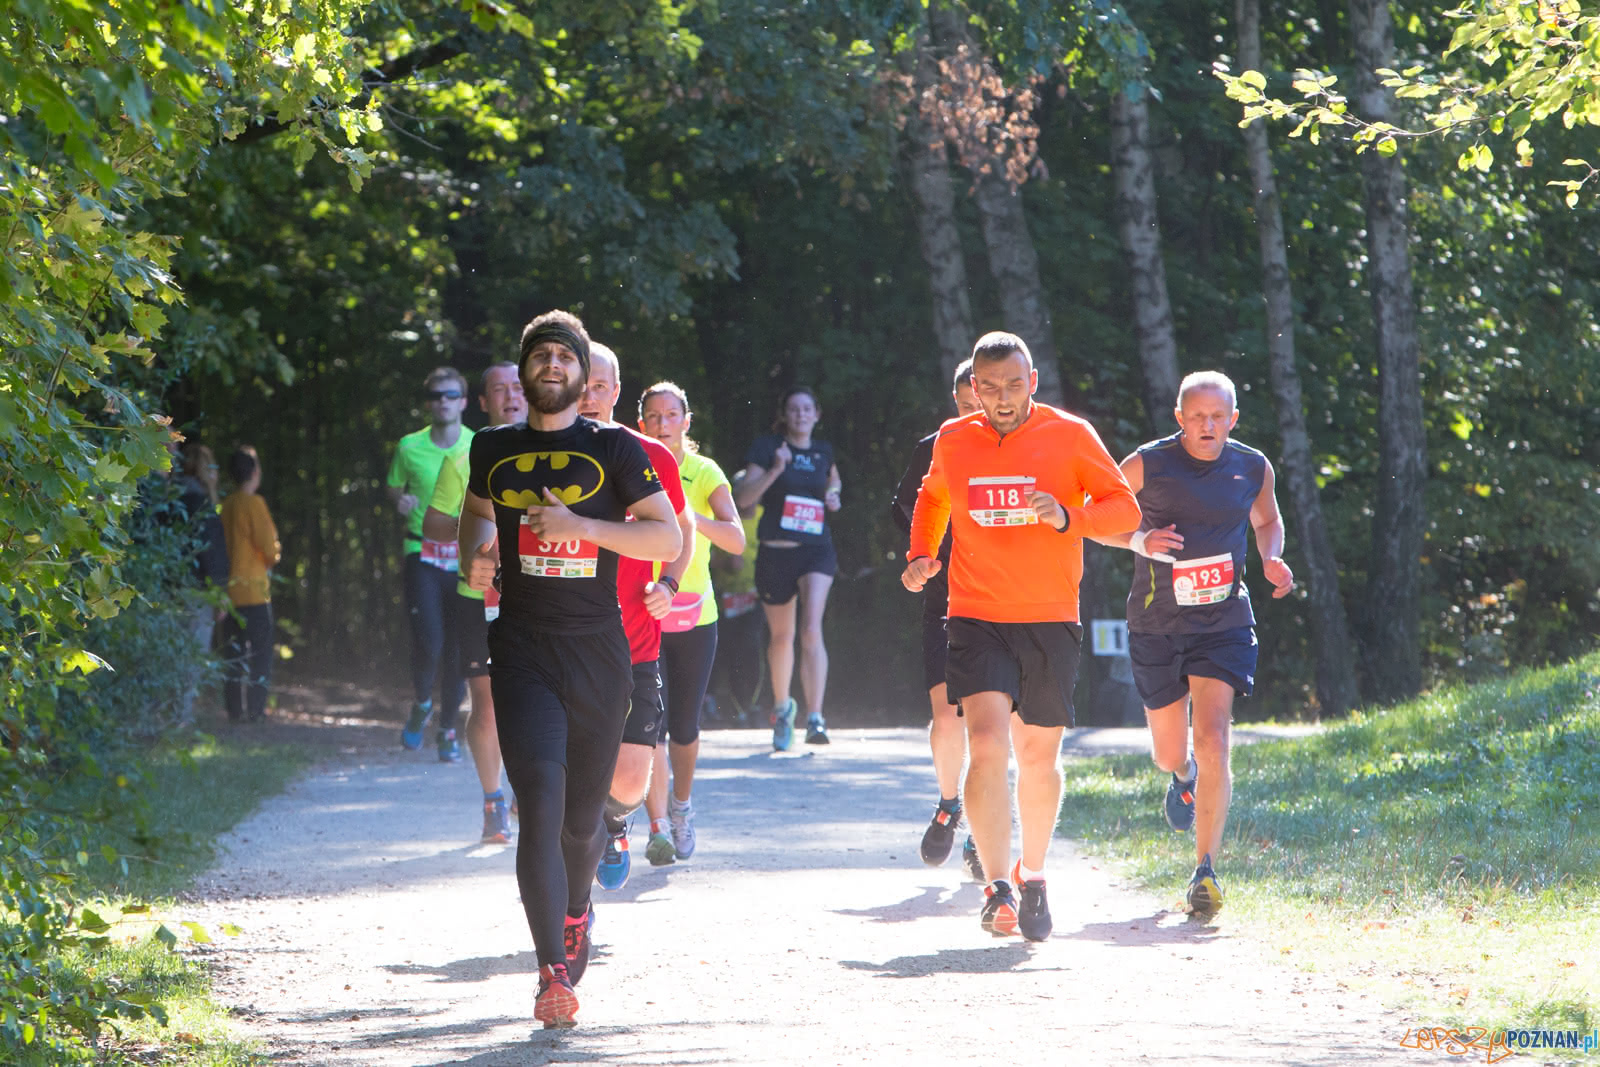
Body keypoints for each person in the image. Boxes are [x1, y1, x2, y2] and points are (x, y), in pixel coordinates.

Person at [460, 310, 681, 1029]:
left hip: (597, 650)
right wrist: (479, 551)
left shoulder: (615, 447)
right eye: (539, 355)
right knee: (542, 803)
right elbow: (475, 510)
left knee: (583, 822)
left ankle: (579, 905)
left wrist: (583, 527)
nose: (551, 364)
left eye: (564, 355)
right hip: (521, 645)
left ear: (585, 375)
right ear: (523, 372)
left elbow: (665, 534)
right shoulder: (492, 446)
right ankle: (551, 969)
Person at [903, 333, 1139, 941]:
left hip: (1049, 616)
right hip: (975, 613)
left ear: (1032, 382)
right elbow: (934, 497)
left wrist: (1069, 517)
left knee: (1037, 758)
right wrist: (922, 554)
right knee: (985, 743)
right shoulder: (955, 440)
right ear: (972, 389)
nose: (1002, 399)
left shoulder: (1071, 435)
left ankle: (1031, 874)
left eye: (1014, 385)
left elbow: (1125, 511)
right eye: (990, 387)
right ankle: (997, 889)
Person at [1092, 370, 1293, 917]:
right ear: (1179, 418)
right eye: (1197, 417)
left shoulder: (1252, 466)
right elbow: (1089, 515)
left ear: (1233, 418)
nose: (1208, 426)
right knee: (1170, 751)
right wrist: (1139, 538)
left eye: (1217, 417)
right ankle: (1181, 778)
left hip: (1224, 621)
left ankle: (1205, 869)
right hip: (1157, 624)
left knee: (1214, 738)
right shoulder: (1148, 463)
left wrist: (1272, 557)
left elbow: (1268, 519)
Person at [574, 345, 695, 882]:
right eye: (581, 386)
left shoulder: (649, 455)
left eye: (600, 387)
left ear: (617, 393)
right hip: (565, 640)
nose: (589, 397)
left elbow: (682, 535)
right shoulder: (539, 458)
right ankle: (571, 883)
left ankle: (615, 823)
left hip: (634, 639)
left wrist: (668, 583)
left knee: (628, 779)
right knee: (566, 774)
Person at [639, 381, 746, 864]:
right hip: (646, 613)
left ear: (687, 421)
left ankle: (681, 805)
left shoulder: (704, 473)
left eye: (671, 416)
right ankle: (657, 825)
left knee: (684, 725)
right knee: (648, 722)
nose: (663, 425)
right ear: (642, 425)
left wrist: (688, 519)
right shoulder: (632, 465)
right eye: (654, 418)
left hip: (695, 616)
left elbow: (737, 540)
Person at [421, 361, 527, 844]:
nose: (509, 395)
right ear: (482, 402)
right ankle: (493, 800)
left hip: (542, 595)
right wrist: (473, 520)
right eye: (498, 389)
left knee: (539, 699)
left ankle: (532, 789)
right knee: (485, 704)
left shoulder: (561, 451)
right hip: (479, 597)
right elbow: (432, 525)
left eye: (516, 387)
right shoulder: (464, 457)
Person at [891, 359, 983, 878]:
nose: (979, 414)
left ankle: (980, 828)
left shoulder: (1025, 443)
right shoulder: (937, 445)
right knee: (947, 718)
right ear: (957, 401)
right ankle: (950, 803)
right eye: (968, 405)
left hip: (1005, 597)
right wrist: (922, 555)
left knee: (994, 727)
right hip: (945, 595)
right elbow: (905, 506)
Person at [734, 387, 842, 750]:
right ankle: (783, 710)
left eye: (807, 409)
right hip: (776, 552)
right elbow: (743, 499)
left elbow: (834, 479)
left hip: (815, 551)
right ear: (786, 414)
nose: (800, 415)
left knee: (811, 629)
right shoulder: (768, 448)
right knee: (783, 636)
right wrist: (776, 469)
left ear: (817, 414)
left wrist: (834, 494)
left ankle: (816, 717)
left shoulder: (823, 451)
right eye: (794, 409)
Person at [387, 367, 475, 760]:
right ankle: (422, 702)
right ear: (429, 403)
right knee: (430, 641)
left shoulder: (478, 445)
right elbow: (393, 486)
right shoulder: (409, 446)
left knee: (458, 648)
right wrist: (399, 501)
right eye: (437, 395)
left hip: (463, 557)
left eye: (451, 394)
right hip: (421, 553)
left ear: (464, 402)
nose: (444, 400)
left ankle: (447, 730)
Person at [220, 446, 281, 724]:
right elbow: (269, 549)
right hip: (254, 590)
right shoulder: (254, 504)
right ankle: (256, 710)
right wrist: (274, 554)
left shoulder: (226, 505)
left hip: (228, 592)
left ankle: (234, 710)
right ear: (255, 472)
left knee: (232, 653)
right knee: (260, 653)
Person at [177, 442, 229, 726]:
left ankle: (168, 717)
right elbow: (212, 554)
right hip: (197, 593)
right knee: (193, 655)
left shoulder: (173, 497)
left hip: (173, 589)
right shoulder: (201, 504)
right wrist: (220, 594)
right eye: (213, 466)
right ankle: (180, 719)